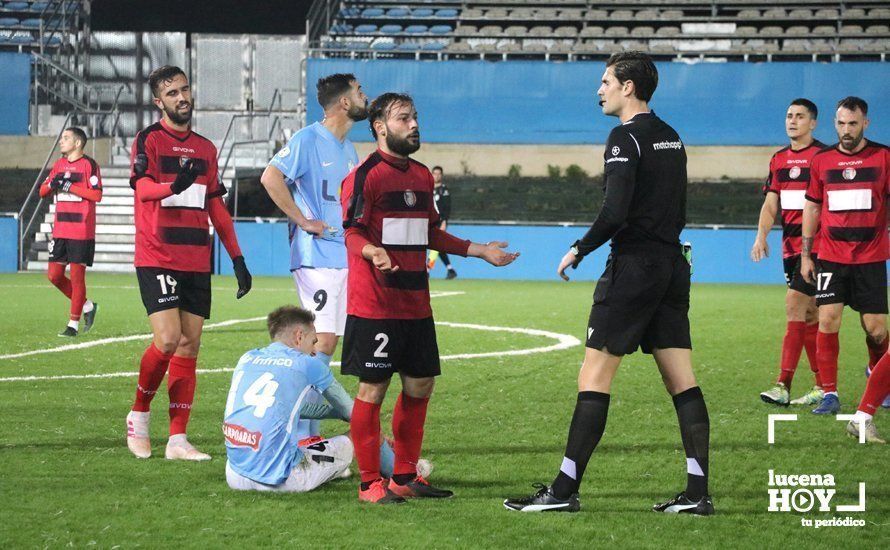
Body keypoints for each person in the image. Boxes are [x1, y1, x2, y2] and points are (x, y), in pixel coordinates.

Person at [503, 52, 713, 515]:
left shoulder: (624, 137)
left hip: (634, 268)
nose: (599, 90)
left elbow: (615, 212)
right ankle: (698, 494)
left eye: (605, 82)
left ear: (628, 87)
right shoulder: (671, 137)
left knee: (593, 377)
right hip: (672, 267)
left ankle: (562, 491)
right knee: (682, 381)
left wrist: (579, 248)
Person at [340, 92, 519, 504]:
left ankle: (404, 476)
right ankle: (370, 482)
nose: (414, 124)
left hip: (415, 303)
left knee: (420, 385)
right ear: (381, 127)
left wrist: (479, 250)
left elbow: (431, 233)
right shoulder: (366, 176)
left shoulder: (421, 176)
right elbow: (351, 232)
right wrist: (373, 251)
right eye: (404, 118)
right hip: (376, 305)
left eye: (415, 117)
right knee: (373, 390)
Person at [125, 65, 252, 461]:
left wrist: (237, 258)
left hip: (197, 258)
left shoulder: (205, 148)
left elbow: (217, 205)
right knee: (166, 339)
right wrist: (172, 187)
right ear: (158, 101)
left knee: (189, 345)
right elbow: (143, 189)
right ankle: (139, 416)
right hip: (157, 253)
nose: (182, 98)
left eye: (185, 90)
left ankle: (178, 439)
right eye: (173, 93)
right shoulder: (149, 140)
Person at [224, 305, 432, 492]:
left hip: (235, 473)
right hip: (279, 479)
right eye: (313, 341)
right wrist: (362, 428)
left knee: (355, 429)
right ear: (298, 336)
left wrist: (335, 415)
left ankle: (333, 466)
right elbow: (353, 412)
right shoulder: (307, 364)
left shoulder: (247, 357)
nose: (314, 351)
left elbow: (288, 408)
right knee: (359, 431)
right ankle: (400, 472)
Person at [260, 74, 367, 357]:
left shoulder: (349, 149)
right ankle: (292, 391)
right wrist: (304, 221)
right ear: (344, 102)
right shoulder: (307, 139)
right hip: (315, 253)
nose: (364, 97)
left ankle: (307, 398)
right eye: (359, 92)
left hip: (342, 253)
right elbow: (271, 178)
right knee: (321, 340)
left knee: (329, 345)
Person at [801, 96, 889, 416]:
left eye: (853, 123)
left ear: (865, 123)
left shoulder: (883, 157)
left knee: (877, 329)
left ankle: (876, 373)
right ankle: (829, 393)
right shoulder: (822, 160)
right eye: (841, 123)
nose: (846, 130)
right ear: (834, 124)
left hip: (871, 256)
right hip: (831, 256)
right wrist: (806, 255)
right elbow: (812, 206)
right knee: (828, 320)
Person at [753, 99, 825, 407]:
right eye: (789, 116)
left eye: (799, 116)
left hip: (817, 247)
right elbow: (772, 203)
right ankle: (824, 386)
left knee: (795, 305)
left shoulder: (823, 157)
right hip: (789, 248)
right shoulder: (779, 159)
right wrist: (761, 236)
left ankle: (783, 384)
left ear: (813, 123)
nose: (792, 121)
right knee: (810, 315)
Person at [39, 127, 101, 337]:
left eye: (65, 138)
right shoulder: (58, 165)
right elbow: (42, 191)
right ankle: (88, 306)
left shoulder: (89, 165)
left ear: (77, 143)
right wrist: (53, 184)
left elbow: (96, 195)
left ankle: (72, 325)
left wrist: (69, 186)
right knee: (54, 276)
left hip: (81, 230)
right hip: (61, 230)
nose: (61, 141)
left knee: (76, 278)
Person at [427, 165, 457, 279]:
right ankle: (450, 269)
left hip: (440, 222)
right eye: (435, 173)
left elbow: (447, 207)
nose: (436, 176)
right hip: (430, 222)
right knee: (438, 247)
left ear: (442, 175)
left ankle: (427, 270)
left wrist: (444, 221)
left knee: (435, 245)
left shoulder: (444, 190)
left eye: (439, 174)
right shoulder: (429, 188)